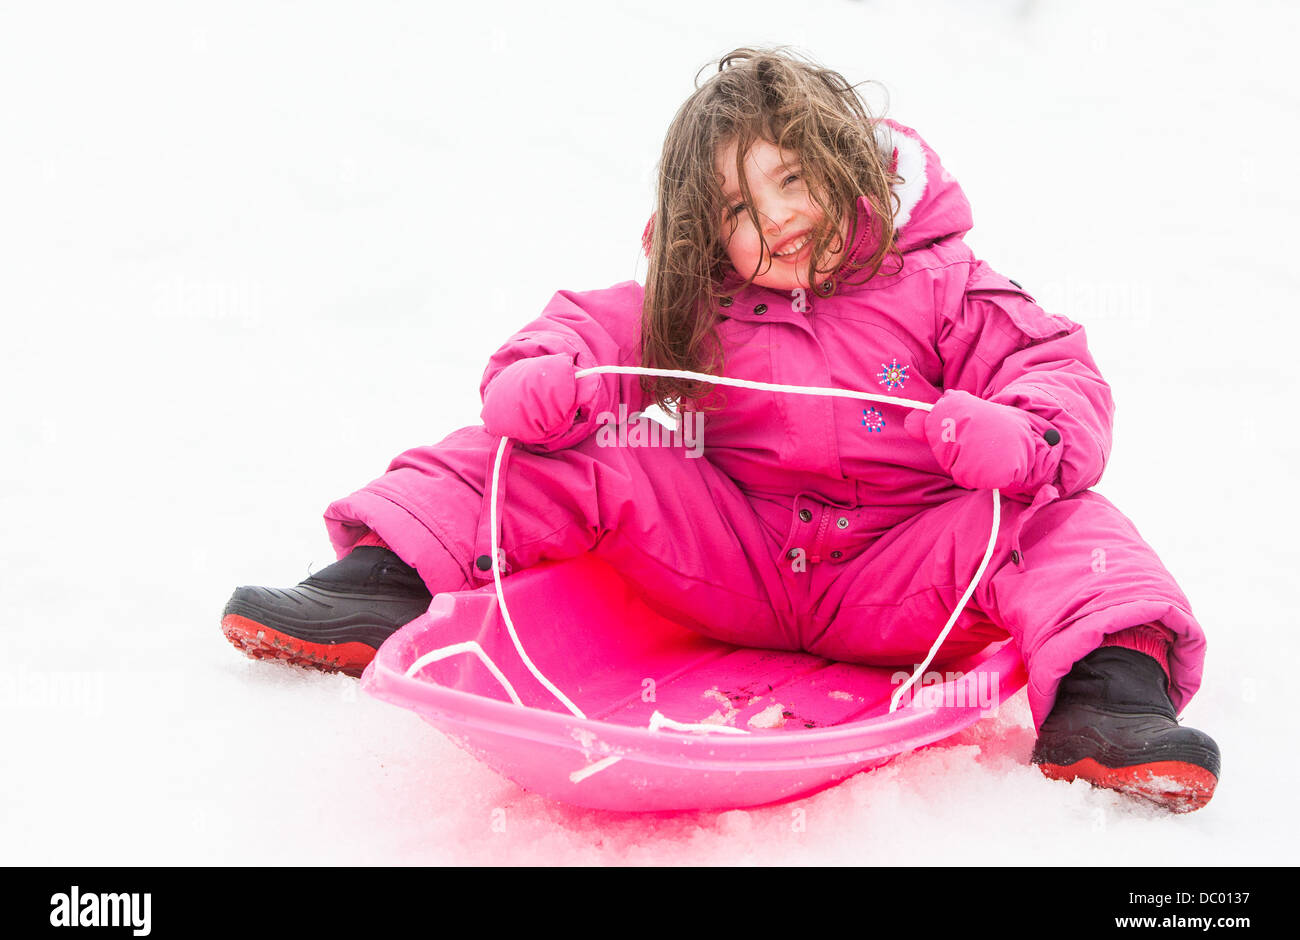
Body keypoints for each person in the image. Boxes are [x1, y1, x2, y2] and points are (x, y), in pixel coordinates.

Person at [222, 47, 1219, 812]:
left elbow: (1055, 374)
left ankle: (1108, 694)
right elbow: (587, 322)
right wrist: (542, 369)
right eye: (738, 205)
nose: (774, 219)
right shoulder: (700, 297)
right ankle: (380, 584)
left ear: (845, 166)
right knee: (589, 445)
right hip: (732, 553)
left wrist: (1019, 434)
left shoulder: (945, 284)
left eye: (792, 179)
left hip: (906, 574)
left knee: (1065, 522)